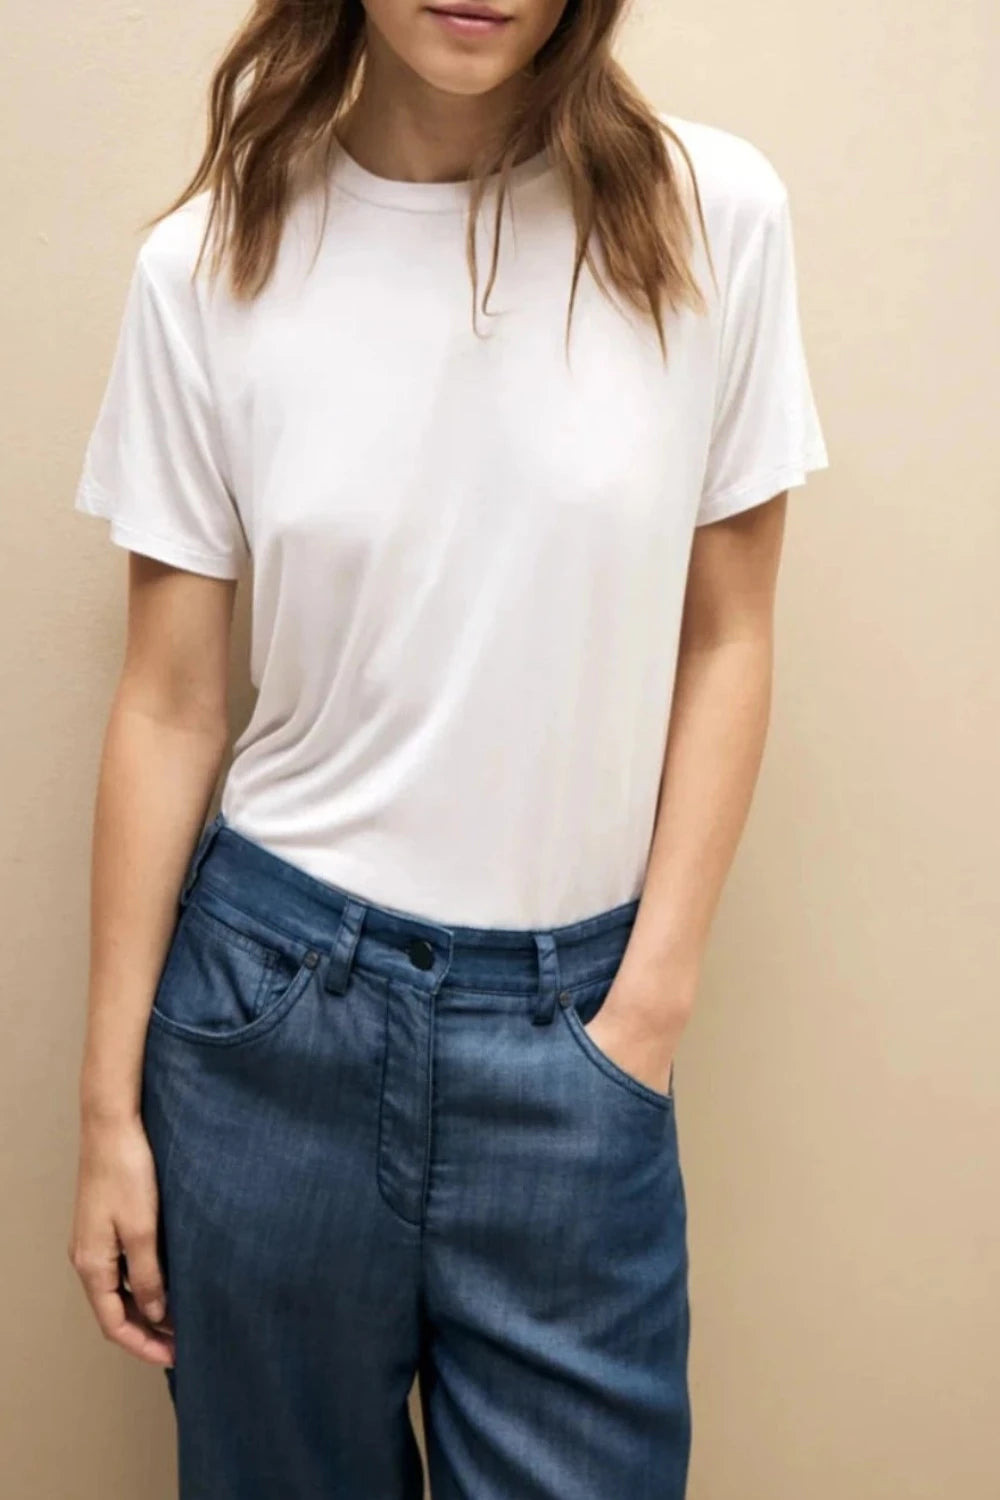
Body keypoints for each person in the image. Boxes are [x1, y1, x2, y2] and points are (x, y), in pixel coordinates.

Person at [67, 0, 829, 1495]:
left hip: (575, 1040)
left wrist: (646, 1011)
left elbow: (728, 634)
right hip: (271, 1026)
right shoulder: (209, 264)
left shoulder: (712, 216)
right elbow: (169, 702)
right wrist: (106, 1117)